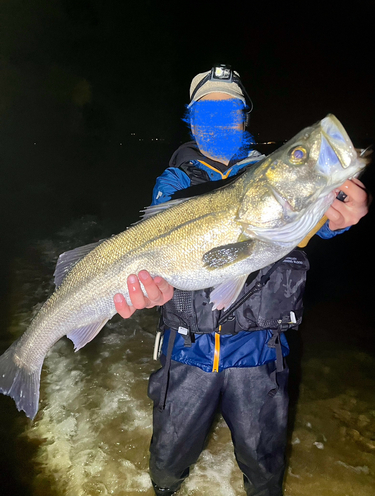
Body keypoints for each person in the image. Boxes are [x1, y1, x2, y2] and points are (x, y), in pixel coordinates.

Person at [113, 66, 369, 496]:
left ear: (243, 118)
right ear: (191, 120)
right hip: (187, 352)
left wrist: (340, 219)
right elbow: (157, 252)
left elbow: (315, 218)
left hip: (260, 355)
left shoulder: (270, 176)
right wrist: (156, 284)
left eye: (227, 110)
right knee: (167, 463)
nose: (216, 121)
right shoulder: (175, 181)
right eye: (205, 111)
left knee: (264, 469)